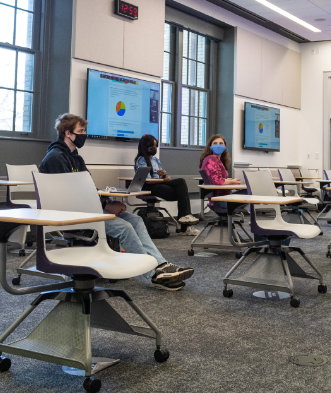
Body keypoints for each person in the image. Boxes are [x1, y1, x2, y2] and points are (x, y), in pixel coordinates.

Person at [39, 113, 193, 291]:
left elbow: (87, 188)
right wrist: (106, 206)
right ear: (68, 133)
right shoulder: (55, 158)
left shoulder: (76, 158)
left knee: (136, 219)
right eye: (81, 131)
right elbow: (70, 196)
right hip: (73, 214)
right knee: (124, 228)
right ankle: (154, 274)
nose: (84, 134)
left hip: (86, 208)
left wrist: (107, 201)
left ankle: (161, 264)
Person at [134, 134, 199, 235]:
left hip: (159, 185)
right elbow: (147, 180)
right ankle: (185, 228)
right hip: (148, 187)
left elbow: (161, 178)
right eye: (152, 147)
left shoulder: (156, 160)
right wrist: (164, 180)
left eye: (155, 146)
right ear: (145, 147)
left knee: (181, 182)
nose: (154, 149)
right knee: (181, 193)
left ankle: (185, 217)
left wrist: (164, 176)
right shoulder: (141, 160)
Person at [199, 134, 244, 208]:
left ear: (225, 146)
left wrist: (230, 183)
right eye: (215, 143)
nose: (218, 145)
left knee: (246, 191)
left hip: (222, 197)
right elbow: (218, 181)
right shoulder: (212, 159)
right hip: (220, 199)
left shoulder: (217, 160)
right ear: (210, 147)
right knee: (250, 191)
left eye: (221, 143)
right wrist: (232, 182)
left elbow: (216, 179)